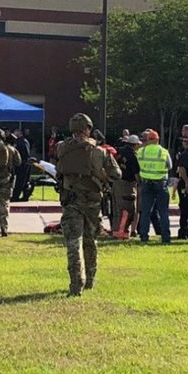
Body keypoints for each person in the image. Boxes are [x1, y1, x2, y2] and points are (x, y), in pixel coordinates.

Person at [56, 113, 121, 295]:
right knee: (90, 241)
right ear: (88, 128)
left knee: (73, 243)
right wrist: (101, 175)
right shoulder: (99, 152)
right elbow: (117, 174)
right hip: (92, 202)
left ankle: (76, 283)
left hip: (71, 200)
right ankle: (90, 279)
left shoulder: (62, 148)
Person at [136, 129, 172, 244]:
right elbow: (170, 166)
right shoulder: (163, 151)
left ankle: (143, 236)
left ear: (147, 140)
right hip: (160, 183)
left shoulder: (141, 151)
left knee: (146, 211)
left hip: (146, 183)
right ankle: (165, 237)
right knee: (163, 212)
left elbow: (138, 165)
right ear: (157, 139)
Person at [112, 134, 142, 237]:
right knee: (127, 209)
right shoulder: (132, 155)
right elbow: (136, 173)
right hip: (127, 185)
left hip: (116, 183)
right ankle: (122, 232)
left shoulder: (119, 151)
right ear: (135, 145)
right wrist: (140, 183)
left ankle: (116, 230)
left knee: (117, 209)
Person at [11, 128, 33, 202]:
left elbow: (26, 153)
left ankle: (16, 196)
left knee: (20, 181)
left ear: (19, 133)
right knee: (23, 181)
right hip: (21, 164)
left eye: (15, 132)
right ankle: (24, 196)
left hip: (23, 164)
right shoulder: (20, 141)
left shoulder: (22, 141)